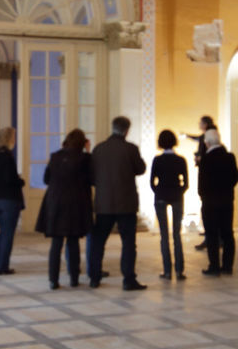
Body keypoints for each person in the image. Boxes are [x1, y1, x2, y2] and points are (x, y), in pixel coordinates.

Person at [88, 115, 147, 290]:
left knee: (98, 242)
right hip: (126, 203)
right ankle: (128, 279)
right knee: (128, 243)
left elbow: (92, 176)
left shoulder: (99, 149)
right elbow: (141, 169)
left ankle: (94, 277)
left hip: (104, 203)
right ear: (127, 130)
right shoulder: (130, 149)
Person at [35, 129, 93, 289]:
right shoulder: (84, 158)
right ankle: (74, 278)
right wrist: (89, 152)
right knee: (73, 241)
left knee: (56, 243)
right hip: (75, 204)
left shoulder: (55, 156)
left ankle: (53, 280)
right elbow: (92, 179)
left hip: (55, 203)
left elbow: (46, 179)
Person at [0, 127, 25, 275]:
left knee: (3, 232)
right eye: (13, 137)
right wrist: (21, 182)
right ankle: (1, 266)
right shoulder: (7, 156)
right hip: (9, 199)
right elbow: (10, 179)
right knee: (7, 234)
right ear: (8, 139)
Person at [199, 127, 238, 276]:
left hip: (210, 202)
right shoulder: (230, 157)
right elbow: (236, 177)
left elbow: (201, 184)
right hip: (227, 201)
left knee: (211, 234)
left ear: (207, 143)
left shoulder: (206, 159)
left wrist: (204, 197)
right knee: (227, 233)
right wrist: (227, 189)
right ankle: (228, 266)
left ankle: (214, 266)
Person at [151, 129, 188, 280]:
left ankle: (167, 271)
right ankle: (179, 271)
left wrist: (158, 191)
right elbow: (186, 182)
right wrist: (179, 191)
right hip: (176, 196)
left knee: (164, 235)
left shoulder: (157, 160)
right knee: (177, 234)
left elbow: (152, 181)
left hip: (161, 196)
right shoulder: (180, 160)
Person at [190, 115, 214, 251]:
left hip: (207, 184)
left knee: (208, 210)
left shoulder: (208, 158)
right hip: (213, 189)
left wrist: (199, 160)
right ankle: (212, 237)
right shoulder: (227, 157)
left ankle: (210, 239)